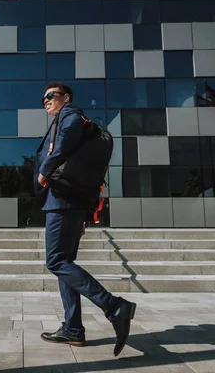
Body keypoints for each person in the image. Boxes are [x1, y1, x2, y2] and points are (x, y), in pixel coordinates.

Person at [34, 82, 136, 357]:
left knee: (55, 260)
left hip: (62, 201)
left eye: (50, 96)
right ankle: (73, 329)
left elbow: (66, 139)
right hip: (71, 202)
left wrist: (45, 169)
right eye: (43, 98)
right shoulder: (66, 117)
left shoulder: (69, 114)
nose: (45, 100)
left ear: (65, 98)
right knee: (64, 262)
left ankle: (115, 307)